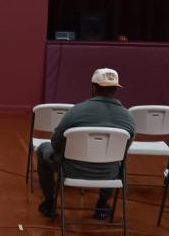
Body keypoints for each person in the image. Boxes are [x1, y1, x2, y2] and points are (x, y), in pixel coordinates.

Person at [36, 68, 135, 220]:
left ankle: (50, 203)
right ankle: (102, 204)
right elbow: (123, 153)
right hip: (110, 173)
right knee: (118, 162)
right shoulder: (128, 118)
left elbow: (56, 144)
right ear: (116, 89)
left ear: (93, 88)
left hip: (71, 169)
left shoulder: (76, 112)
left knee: (43, 148)